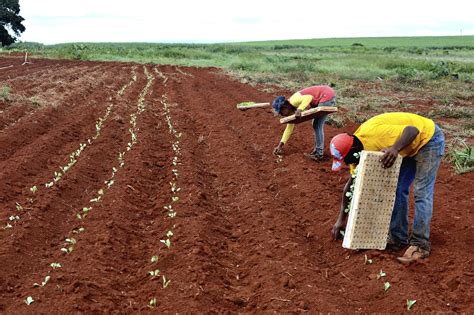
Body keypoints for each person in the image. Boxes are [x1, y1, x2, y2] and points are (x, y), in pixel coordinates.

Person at [329, 112, 445, 263]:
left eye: (347, 159)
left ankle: (420, 244)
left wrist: (395, 148)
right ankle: (398, 238)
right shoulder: (355, 152)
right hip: (408, 146)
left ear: (354, 149)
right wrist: (340, 220)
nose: (347, 163)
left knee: (421, 192)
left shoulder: (375, 135)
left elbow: (412, 130)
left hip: (428, 139)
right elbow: (350, 185)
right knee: (397, 188)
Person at [272, 85, 336, 161]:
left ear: (285, 106)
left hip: (326, 95)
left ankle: (319, 154)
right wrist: (280, 145)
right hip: (324, 97)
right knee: (316, 124)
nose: (282, 115)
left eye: (281, 112)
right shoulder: (292, 106)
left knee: (317, 124)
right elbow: (289, 128)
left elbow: (309, 97)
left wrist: (299, 110)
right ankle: (317, 152)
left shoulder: (293, 101)